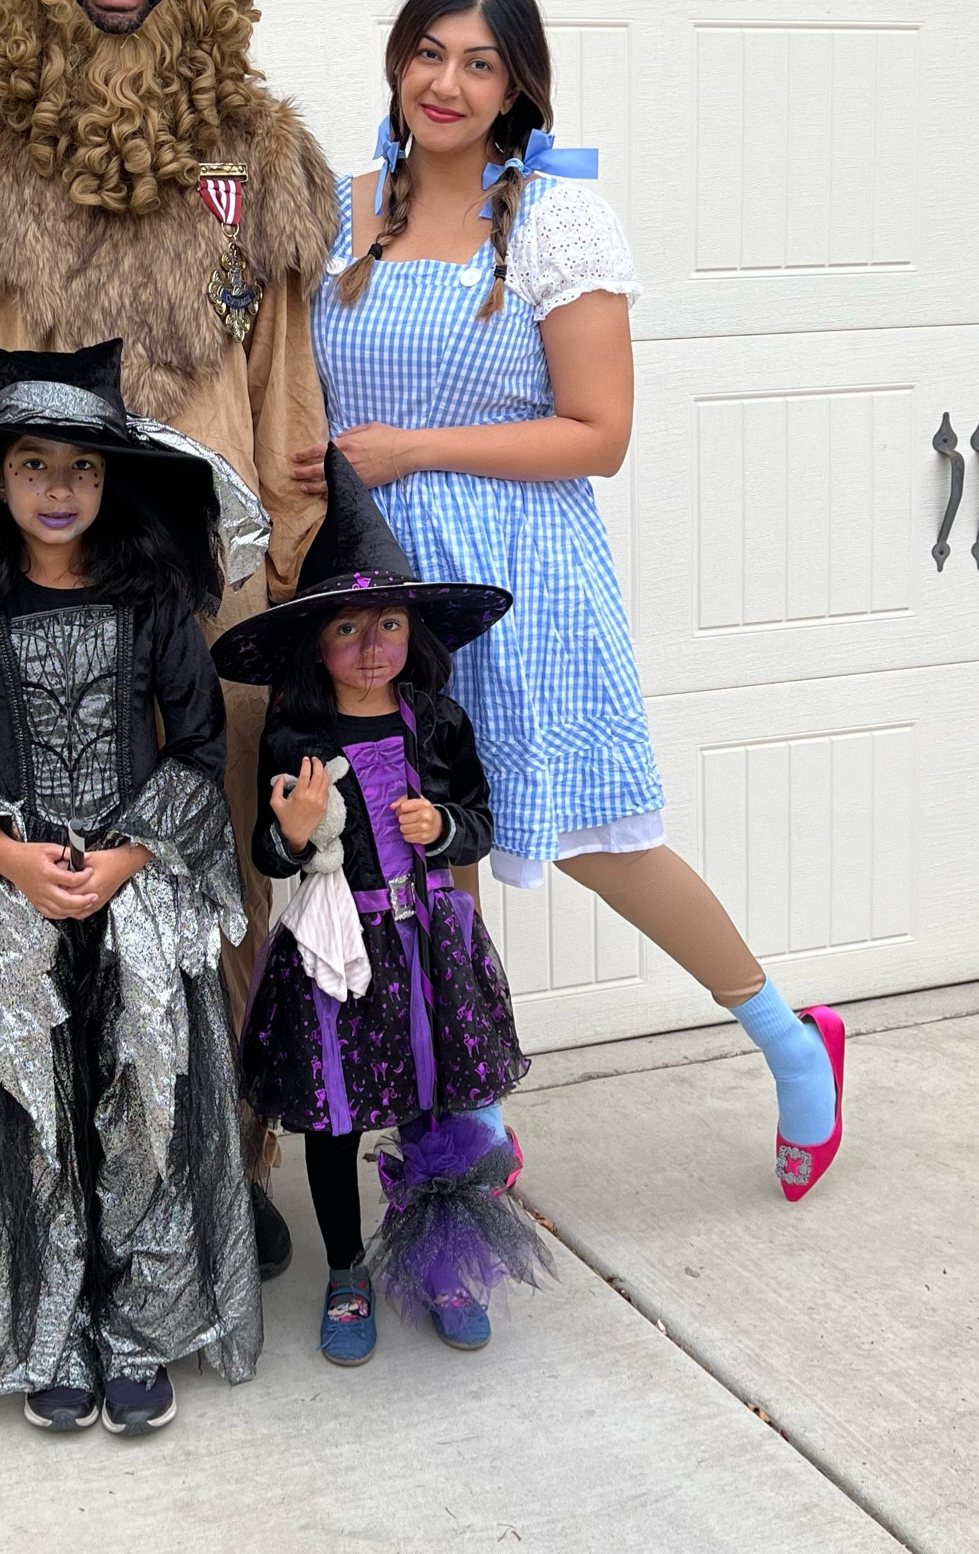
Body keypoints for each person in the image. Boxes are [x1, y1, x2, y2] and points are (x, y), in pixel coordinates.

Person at [295, 0, 845, 1203]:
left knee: (599, 836)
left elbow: (600, 432)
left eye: (479, 63)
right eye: (428, 52)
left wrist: (408, 447)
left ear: (517, 86)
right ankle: (471, 1119)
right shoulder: (337, 210)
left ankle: (789, 1042)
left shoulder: (554, 221)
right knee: (423, 852)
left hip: (517, 576)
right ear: (396, 60)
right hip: (378, 583)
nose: (447, 82)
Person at [0, 0, 336, 1269]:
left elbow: (286, 399)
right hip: (29, 602)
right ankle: (60, 1195)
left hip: (208, 601)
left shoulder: (250, 156)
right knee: (50, 900)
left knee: (213, 891)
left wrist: (294, 598)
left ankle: (218, 1164)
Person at [0, 341, 262, 1435]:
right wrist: (4, 857)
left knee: (141, 1106)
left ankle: (141, 1326)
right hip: (18, 900)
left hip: (135, 891)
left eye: (83, 468)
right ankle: (55, 1329)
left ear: (111, 481)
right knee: (38, 1115)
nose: (61, 490)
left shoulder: (152, 607)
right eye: (36, 465)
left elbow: (196, 750)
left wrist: (130, 858)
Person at [213, 447, 551, 1366]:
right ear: (317, 645)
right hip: (337, 953)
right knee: (336, 1113)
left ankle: (445, 1256)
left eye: (391, 624)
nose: (373, 647)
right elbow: (267, 850)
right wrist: (294, 828)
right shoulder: (298, 732)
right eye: (351, 629)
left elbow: (478, 823)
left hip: (428, 943)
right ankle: (347, 1270)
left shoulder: (435, 721)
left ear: (415, 634)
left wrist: (440, 826)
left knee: (436, 1104)